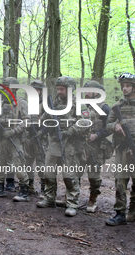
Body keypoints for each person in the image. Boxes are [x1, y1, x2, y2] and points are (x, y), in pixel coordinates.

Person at [36, 76, 90, 217]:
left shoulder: (78, 104)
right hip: (53, 143)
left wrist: (70, 131)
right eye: (58, 89)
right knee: (49, 173)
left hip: (70, 145)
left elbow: (86, 122)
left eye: (62, 89)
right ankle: (49, 198)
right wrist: (48, 114)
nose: (59, 91)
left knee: (69, 176)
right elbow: (42, 121)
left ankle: (72, 203)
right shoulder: (53, 103)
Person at [0, 77, 30, 201]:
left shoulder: (21, 103)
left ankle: (24, 191)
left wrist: (14, 131)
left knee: (18, 164)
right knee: (0, 162)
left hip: (15, 138)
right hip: (1, 138)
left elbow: (27, 121)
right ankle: (0, 188)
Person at [105, 73, 135, 226]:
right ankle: (120, 213)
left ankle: (133, 211)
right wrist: (115, 126)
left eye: (128, 85)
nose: (125, 88)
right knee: (120, 181)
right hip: (122, 149)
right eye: (123, 85)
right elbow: (107, 125)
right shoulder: (117, 106)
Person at [80, 81, 111, 213]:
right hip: (81, 146)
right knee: (74, 172)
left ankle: (93, 199)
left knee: (93, 175)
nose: (86, 93)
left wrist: (97, 135)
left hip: (97, 147)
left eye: (89, 90)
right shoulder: (81, 106)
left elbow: (109, 127)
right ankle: (71, 197)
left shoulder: (104, 108)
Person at [24, 80, 48, 195]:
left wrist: (41, 132)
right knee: (28, 162)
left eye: (36, 90)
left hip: (41, 138)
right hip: (29, 137)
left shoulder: (46, 105)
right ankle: (30, 185)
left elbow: (50, 122)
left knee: (41, 164)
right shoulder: (27, 104)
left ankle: (45, 188)